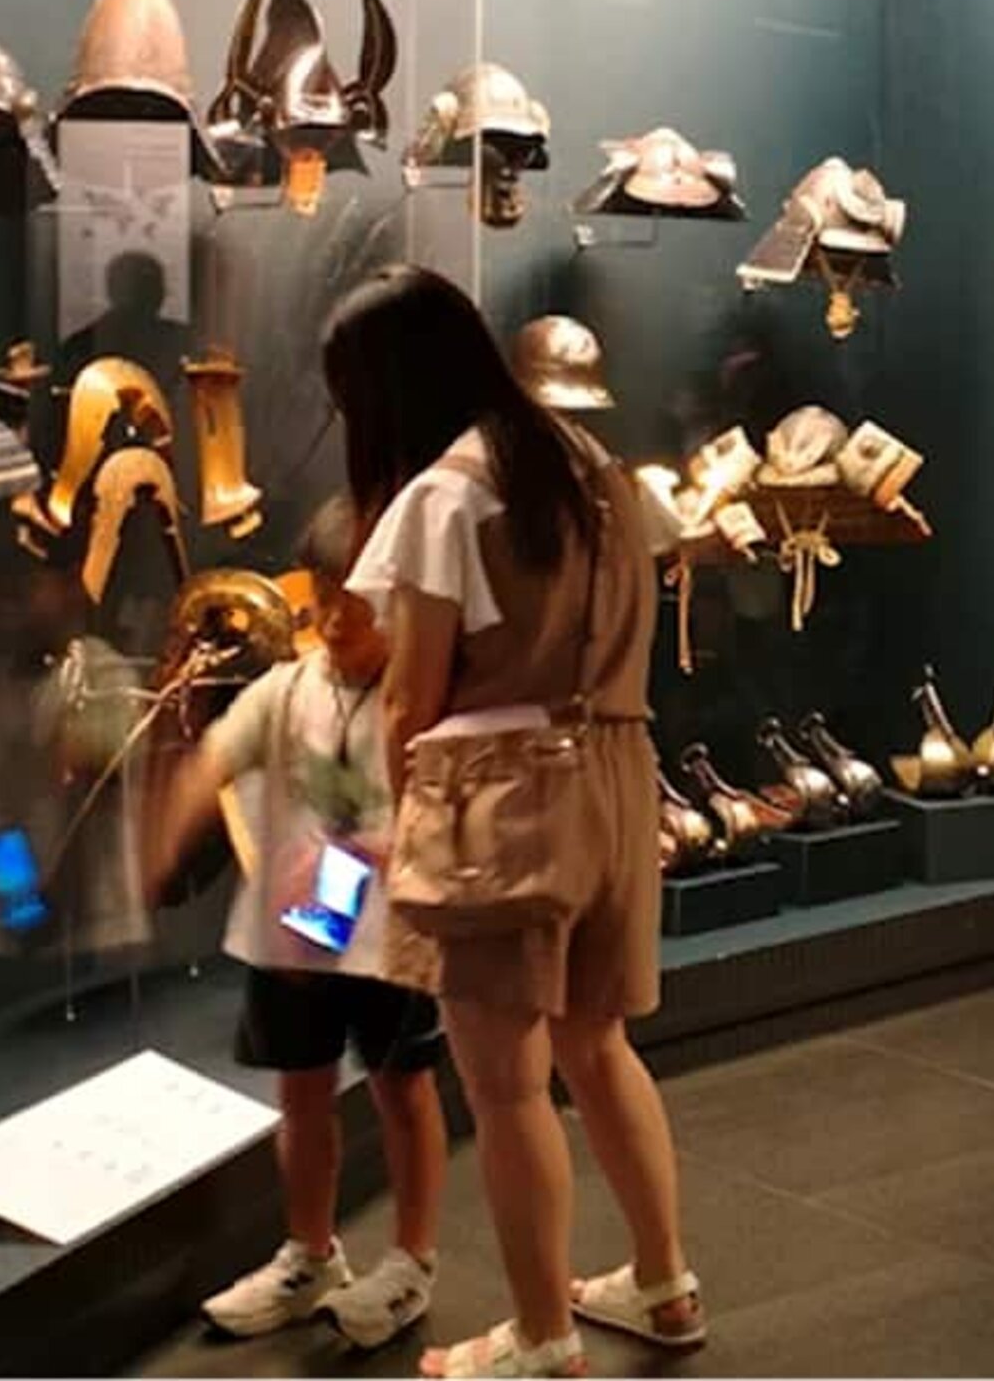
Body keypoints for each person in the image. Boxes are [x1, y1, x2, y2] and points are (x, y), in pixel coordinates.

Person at [322, 265, 700, 1379]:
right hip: (617, 774)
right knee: (598, 1043)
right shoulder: (592, 466)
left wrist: (399, 827)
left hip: (499, 798)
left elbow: (412, 698)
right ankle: (663, 1283)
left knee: (506, 1083)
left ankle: (541, 1338)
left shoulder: (447, 493)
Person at [146, 498, 449, 1350]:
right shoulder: (286, 690)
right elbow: (216, 756)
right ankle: (310, 1253)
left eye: (360, 599)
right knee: (302, 1093)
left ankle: (412, 1260)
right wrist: (165, 836)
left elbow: (431, 813)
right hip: (294, 937)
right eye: (325, 596)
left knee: (403, 1090)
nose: (338, 619)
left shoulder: (420, 698)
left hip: (390, 940)